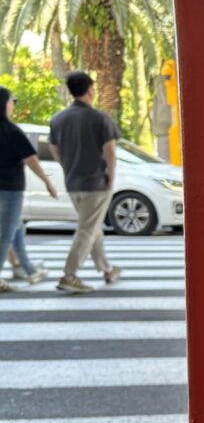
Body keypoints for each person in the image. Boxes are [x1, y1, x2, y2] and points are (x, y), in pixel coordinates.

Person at [48, 71, 122, 293]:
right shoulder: (100, 118)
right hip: (96, 183)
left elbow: (54, 149)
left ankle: (106, 269)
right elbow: (110, 151)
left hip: (73, 182)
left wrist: (67, 166)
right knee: (87, 229)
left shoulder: (58, 119)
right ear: (90, 89)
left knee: (91, 225)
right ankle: (68, 275)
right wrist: (111, 177)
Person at [0, 87, 58, 293]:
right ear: (5, 104)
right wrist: (47, 182)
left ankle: (28, 270)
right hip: (10, 190)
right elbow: (31, 159)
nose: (12, 106)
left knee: (16, 229)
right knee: (5, 234)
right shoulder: (11, 131)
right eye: (10, 102)